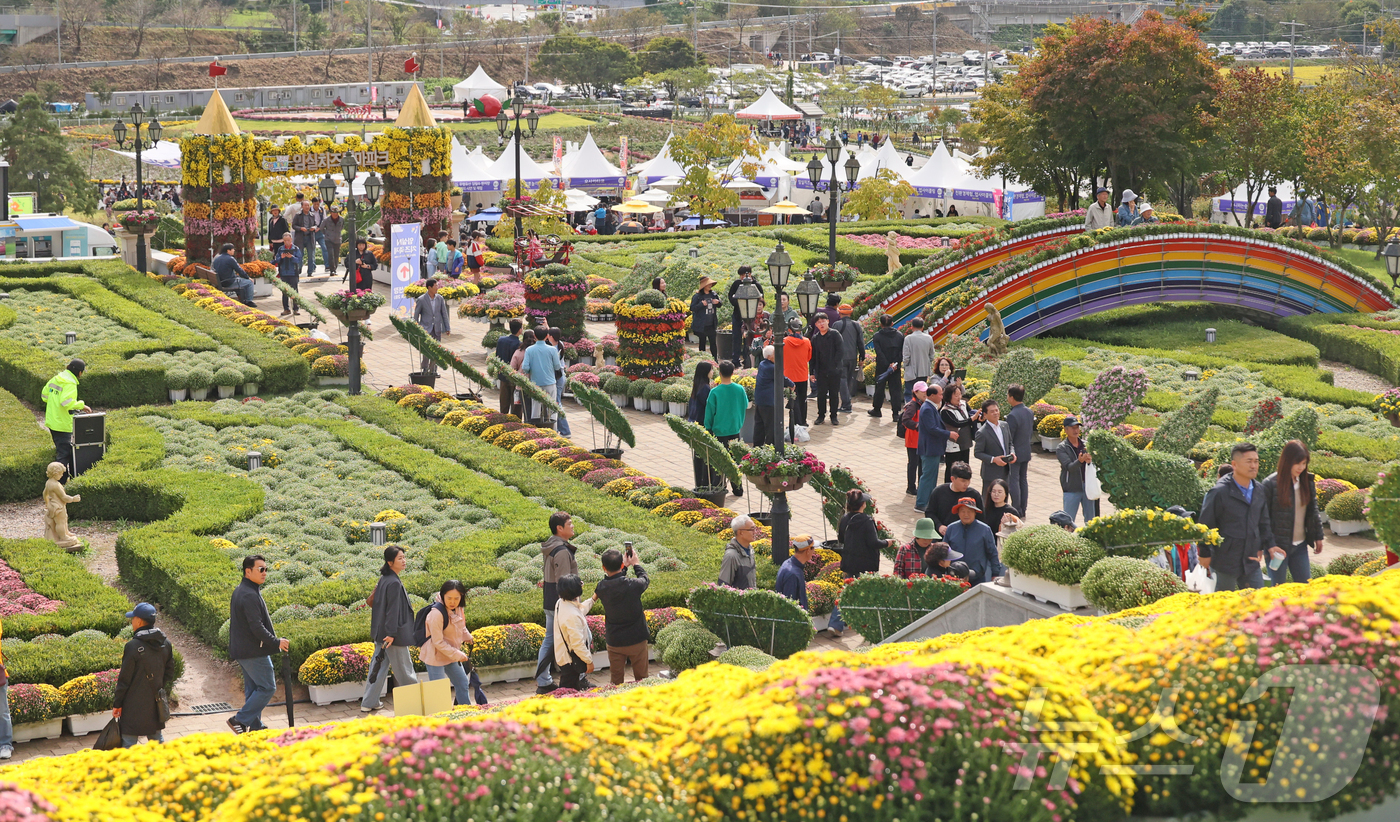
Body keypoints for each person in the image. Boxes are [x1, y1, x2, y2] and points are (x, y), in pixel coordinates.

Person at [1198, 442, 1275, 591]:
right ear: (1234, 464)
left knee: (1257, 601)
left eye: (1256, 461)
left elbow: (1264, 522)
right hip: (1224, 561)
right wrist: (1204, 553)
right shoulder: (1219, 492)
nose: (1254, 466)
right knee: (1223, 605)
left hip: (1251, 560)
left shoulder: (1259, 490)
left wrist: (1270, 545)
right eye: (1249, 461)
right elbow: (1205, 525)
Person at [228, 555, 288, 734]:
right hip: (253, 651)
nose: (265, 573)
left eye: (266, 569)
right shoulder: (248, 594)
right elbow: (256, 627)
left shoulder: (243, 590)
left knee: (253, 688)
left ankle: (254, 726)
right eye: (260, 569)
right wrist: (277, 642)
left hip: (245, 650)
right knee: (267, 687)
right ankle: (238, 719)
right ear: (248, 571)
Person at [361, 546, 420, 711]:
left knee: (378, 669)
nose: (404, 561)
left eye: (404, 557)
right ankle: (416, 702)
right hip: (392, 635)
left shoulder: (385, 578)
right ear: (390, 562)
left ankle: (369, 702)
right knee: (405, 670)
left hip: (381, 633)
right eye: (400, 558)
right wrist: (392, 634)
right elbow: (393, 611)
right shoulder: (393, 582)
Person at [832, 491, 896, 637]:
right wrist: (887, 542)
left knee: (845, 593)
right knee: (870, 593)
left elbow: (841, 539)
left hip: (849, 561)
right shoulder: (867, 521)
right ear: (862, 504)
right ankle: (871, 625)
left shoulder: (845, 518)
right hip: (866, 564)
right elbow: (873, 543)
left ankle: (835, 625)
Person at [1260, 440, 1323, 586]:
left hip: (1300, 546)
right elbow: (1263, 519)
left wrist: (1318, 536)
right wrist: (1269, 545)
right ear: (1287, 461)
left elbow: (1313, 510)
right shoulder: (1270, 484)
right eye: (1297, 463)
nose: (1301, 468)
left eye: (1304, 463)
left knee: (1305, 587)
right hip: (1277, 548)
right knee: (1278, 589)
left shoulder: (1306, 482)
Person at [112, 602, 175, 747]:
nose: (132, 621)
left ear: (139, 621)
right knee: (157, 741)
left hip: (132, 705)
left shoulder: (133, 647)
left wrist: (117, 704)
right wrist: (157, 687)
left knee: (128, 743)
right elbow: (169, 672)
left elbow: (124, 679)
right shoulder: (166, 643)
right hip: (155, 701)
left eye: (133, 618)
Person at [420, 580, 486, 706]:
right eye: (449, 598)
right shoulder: (436, 614)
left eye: (457, 598)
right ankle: (441, 718)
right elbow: (438, 642)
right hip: (435, 656)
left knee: (462, 682)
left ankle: (465, 712)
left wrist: (468, 636)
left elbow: (460, 626)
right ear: (443, 595)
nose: (453, 602)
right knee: (439, 692)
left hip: (450, 654)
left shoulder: (458, 608)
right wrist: (458, 654)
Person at [535, 511, 581, 693]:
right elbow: (564, 582)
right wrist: (574, 599)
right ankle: (577, 676)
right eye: (570, 524)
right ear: (559, 528)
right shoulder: (561, 551)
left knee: (550, 641)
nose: (573, 526)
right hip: (560, 602)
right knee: (572, 638)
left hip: (551, 599)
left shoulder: (552, 546)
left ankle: (544, 680)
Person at [595, 545, 650, 685]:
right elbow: (644, 579)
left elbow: (614, 581)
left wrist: (623, 568)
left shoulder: (601, 588)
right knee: (642, 679)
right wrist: (636, 564)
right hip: (637, 638)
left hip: (615, 641)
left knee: (616, 681)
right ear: (621, 563)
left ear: (603, 567)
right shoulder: (633, 585)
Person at [704, 362, 748, 496]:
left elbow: (709, 413)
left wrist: (708, 428)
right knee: (734, 460)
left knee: (719, 459)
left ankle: (719, 486)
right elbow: (745, 405)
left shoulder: (715, 392)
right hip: (735, 429)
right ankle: (737, 487)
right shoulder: (740, 389)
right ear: (733, 373)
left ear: (720, 373)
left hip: (718, 430)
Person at [42, 359, 88, 480]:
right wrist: (81, 405)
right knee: (64, 454)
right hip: (62, 423)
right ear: (79, 372)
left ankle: (64, 478)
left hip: (52, 421)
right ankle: (59, 482)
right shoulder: (70, 383)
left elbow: (44, 395)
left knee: (62, 449)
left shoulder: (57, 378)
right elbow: (66, 402)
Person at [915, 382, 957, 513]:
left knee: (931, 476)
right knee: (928, 477)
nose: (942, 396)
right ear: (932, 395)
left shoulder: (931, 406)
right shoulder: (927, 408)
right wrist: (949, 434)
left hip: (933, 448)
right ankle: (921, 503)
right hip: (930, 449)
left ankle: (927, 502)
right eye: (940, 394)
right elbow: (932, 429)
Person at [943, 497, 1002, 584]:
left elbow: (992, 553)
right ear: (958, 513)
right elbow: (944, 552)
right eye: (963, 511)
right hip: (954, 578)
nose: (966, 514)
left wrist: (995, 574)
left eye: (969, 511)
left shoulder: (985, 530)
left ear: (975, 512)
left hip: (977, 577)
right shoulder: (951, 528)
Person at [551, 574, 594, 691]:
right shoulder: (572, 616)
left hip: (564, 656)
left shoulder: (560, 603)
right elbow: (577, 644)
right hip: (570, 660)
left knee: (569, 689)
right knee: (567, 692)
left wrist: (593, 599)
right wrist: (588, 661)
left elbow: (579, 610)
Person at [1055, 416, 1097, 524]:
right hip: (1072, 488)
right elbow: (1068, 467)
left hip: (1088, 487)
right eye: (1073, 428)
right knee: (1068, 521)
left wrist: (1091, 460)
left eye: (1077, 427)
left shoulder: (1086, 445)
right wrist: (1080, 461)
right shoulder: (1062, 448)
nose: (1076, 430)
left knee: (1091, 520)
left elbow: (1096, 463)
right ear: (1065, 429)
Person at [520, 326, 562, 427]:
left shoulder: (529, 350)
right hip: (550, 382)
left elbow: (525, 367)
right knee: (552, 408)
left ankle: (535, 430)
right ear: (547, 336)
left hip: (535, 383)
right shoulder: (552, 350)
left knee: (535, 409)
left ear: (534, 336)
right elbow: (557, 366)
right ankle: (553, 430)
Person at [754, 344, 793, 449]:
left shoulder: (762, 364)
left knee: (759, 425)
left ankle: (757, 447)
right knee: (770, 427)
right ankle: (770, 448)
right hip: (768, 402)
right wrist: (792, 385)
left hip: (759, 399)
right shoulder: (772, 368)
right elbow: (782, 378)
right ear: (770, 356)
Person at [973, 398, 1013, 498]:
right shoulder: (982, 432)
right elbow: (977, 453)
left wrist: (1012, 453)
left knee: (1003, 499)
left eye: (996, 410)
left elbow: (1010, 443)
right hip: (991, 473)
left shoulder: (1005, 425)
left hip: (1005, 470)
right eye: (992, 411)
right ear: (985, 415)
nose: (995, 413)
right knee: (988, 501)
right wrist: (993, 459)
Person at [929, 462, 983, 536]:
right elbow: (930, 513)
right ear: (952, 479)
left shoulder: (974, 495)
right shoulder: (939, 492)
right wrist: (939, 526)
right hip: (941, 536)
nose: (966, 484)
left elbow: (981, 518)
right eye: (963, 481)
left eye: (968, 480)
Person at [809, 314, 844, 426]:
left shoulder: (835, 334)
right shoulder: (815, 338)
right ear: (816, 325)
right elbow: (813, 357)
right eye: (819, 322)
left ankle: (834, 416)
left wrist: (835, 365)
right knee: (821, 394)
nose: (821, 324)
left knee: (834, 394)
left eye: (823, 321)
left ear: (828, 321)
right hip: (821, 371)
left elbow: (840, 351)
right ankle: (821, 415)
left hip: (834, 370)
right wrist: (812, 373)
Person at [412, 278, 451, 376]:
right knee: (426, 350)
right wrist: (415, 329)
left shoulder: (440, 298)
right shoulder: (421, 299)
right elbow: (416, 315)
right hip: (426, 329)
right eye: (436, 286)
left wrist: (447, 328)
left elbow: (444, 314)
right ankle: (425, 368)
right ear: (429, 287)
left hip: (437, 329)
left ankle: (433, 370)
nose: (437, 287)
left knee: (436, 350)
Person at [1004, 384, 1034, 512]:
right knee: (1023, 480)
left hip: (1015, 453)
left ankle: (1016, 508)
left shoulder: (1012, 415)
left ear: (1011, 397)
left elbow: (1009, 437)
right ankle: (1023, 507)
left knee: (1014, 481)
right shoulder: (1029, 412)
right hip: (1026, 450)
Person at [867, 314, 902, 418]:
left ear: (880, 324)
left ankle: (877, 410)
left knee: (879, 387)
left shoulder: (877, 336)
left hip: (882, 366)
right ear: (892, 323)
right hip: (896, 367)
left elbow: (879, 352)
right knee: (895, 389)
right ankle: (895, 413)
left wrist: (887, 365)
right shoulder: (899, 335)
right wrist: (894, 364)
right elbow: (901, 352)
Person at [833, 303, 865, 414]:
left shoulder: (836, 325)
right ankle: (846, 402)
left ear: (839, 312)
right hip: (852, 357)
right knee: (848, 380)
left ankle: (846, 404)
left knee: (842, 380)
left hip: (840, 357)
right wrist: (862, 356)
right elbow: (861, 343)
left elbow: (832, 343)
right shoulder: (856, 325)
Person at [727, 266, 762, 367]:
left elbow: (761, 298)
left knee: (750, 337)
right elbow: (731, 296)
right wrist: (738, 303)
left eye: (744, 275)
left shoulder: (756, 285)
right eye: (741, 275)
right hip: (738, 314)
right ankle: (736, 360)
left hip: (752, 316)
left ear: (750, 274)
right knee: (736, 337)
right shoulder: (737, 284)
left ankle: (748, 360)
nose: (742, 277)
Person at [940, 384, 976, 482]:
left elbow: (971, 412)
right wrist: (971, 419)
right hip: (953, 445)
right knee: (952, 470)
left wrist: (978, 416)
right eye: (956, 395)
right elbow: (957, 423)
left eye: (960, 394)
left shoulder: (963, 404)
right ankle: (948, 489)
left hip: (965, 442)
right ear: (949, 396)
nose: (959, 397)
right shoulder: (945, 411)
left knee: (965, 468)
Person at [686, 360, 715, 482]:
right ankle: (704, 481)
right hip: (702, 423)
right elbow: (710, 407)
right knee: (704, 456)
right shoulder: (705, 389)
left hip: (694, 422)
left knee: (698, 456)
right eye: (711, 369)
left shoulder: (697, 386)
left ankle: (699, 482)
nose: (713, 372)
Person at [783, 318, 811, 429]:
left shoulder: (784, 342)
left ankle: (793, 422)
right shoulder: (807, 341)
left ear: (789, 329)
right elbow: (808, 357)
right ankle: (803, 421)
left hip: (789, 376)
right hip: (802, 374)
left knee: (792, 399)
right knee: (803, 399)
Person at [900, 382, 927, 496]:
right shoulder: (912, 405)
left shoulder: (923, 403)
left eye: (926, 390)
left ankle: (920, 486)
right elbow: (906, 420)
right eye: (923, 391)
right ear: (916, 392)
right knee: (913, 464)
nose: (925, 393)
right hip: (913, 441)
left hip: (921, 441)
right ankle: (911, 487)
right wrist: (917, 425)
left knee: (921, 464)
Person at [719, 514, 758, 588]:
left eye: (755, 528)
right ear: (740, 533)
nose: (755, 532)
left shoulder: (750, 550)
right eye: (751, 529)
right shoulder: (731, 556)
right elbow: (723, 587)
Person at [775, 535, 814, 608]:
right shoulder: (792, 574)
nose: (814, 551)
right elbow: (789, 607)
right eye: (813, 548)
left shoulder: (790, 564)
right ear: (808, 550)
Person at [901, 317, 934, 401]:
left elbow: (906, 357)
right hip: (924, 371)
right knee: (922, 393)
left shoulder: (908, 338)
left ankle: (910, 411)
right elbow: (932, 356)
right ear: (922, 327)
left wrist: (905, 366)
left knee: (909, 393)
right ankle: (919, 412)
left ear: (912, 327)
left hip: (911, 371)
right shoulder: (929, 338)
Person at [495, 319, 524, 414]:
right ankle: (515, 422)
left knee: (504, 402)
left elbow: (497, 356)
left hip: (503, 375)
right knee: (516, 405)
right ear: (520, 330)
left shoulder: (501, 340)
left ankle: (503, 420)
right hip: (514, 377)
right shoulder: (519, 345)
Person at [690, 276, 722, 355]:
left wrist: (718, 302)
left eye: (710, 284)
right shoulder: (697, 296)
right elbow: (692, 308)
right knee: (702, 342)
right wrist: (701, 304)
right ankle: (702, 358)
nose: (710, 286)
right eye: (708, 284)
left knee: (713, 343)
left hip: (711, 324)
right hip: (702, 324)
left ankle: (715, 359)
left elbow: (720, 304)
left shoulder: (713, 294)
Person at [508, 329, 535, 420]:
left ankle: (527, 425)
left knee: (526, 408)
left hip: (522, 385)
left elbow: (512, 368)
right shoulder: (536, 351)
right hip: (537, 384)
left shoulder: (518, 352)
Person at [274, 234, 303, 318]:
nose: (287, 242)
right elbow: (277, 260)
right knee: (285, 292)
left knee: (294, 291)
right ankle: (286, 309)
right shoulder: (280, 249)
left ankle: (296, 309)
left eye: (288, 240)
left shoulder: (295, 248)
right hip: (283, 273)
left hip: (293, 273)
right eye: (285, 240)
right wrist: (281, 258)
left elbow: (299, 260)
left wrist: (292, 257)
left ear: (291, 240)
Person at [292, 201, 322, 277]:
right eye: (305, 205)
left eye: (308, 205)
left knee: (311, 255)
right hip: (300, 238)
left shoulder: (312, 215)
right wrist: (300, 228)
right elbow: (294, 225)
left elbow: (315, 224)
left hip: (310, 237)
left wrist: (314, 227)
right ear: (302, 206)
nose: (307, 207)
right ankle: (298, 270)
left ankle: (310, 272)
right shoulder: (298, 215)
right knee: (300, 255)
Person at [322, 206, 344, 277]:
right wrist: (327, 234)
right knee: (331, 254)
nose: (335, 214)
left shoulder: (341, 219)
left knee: (336, 255)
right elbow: (321, 228)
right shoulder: (326, 220)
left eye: (336, 213)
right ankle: (332, 270)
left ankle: (335, 269)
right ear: (331, 213)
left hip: (337, 239)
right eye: (333, 213)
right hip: (329, 239)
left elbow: (342, 227)